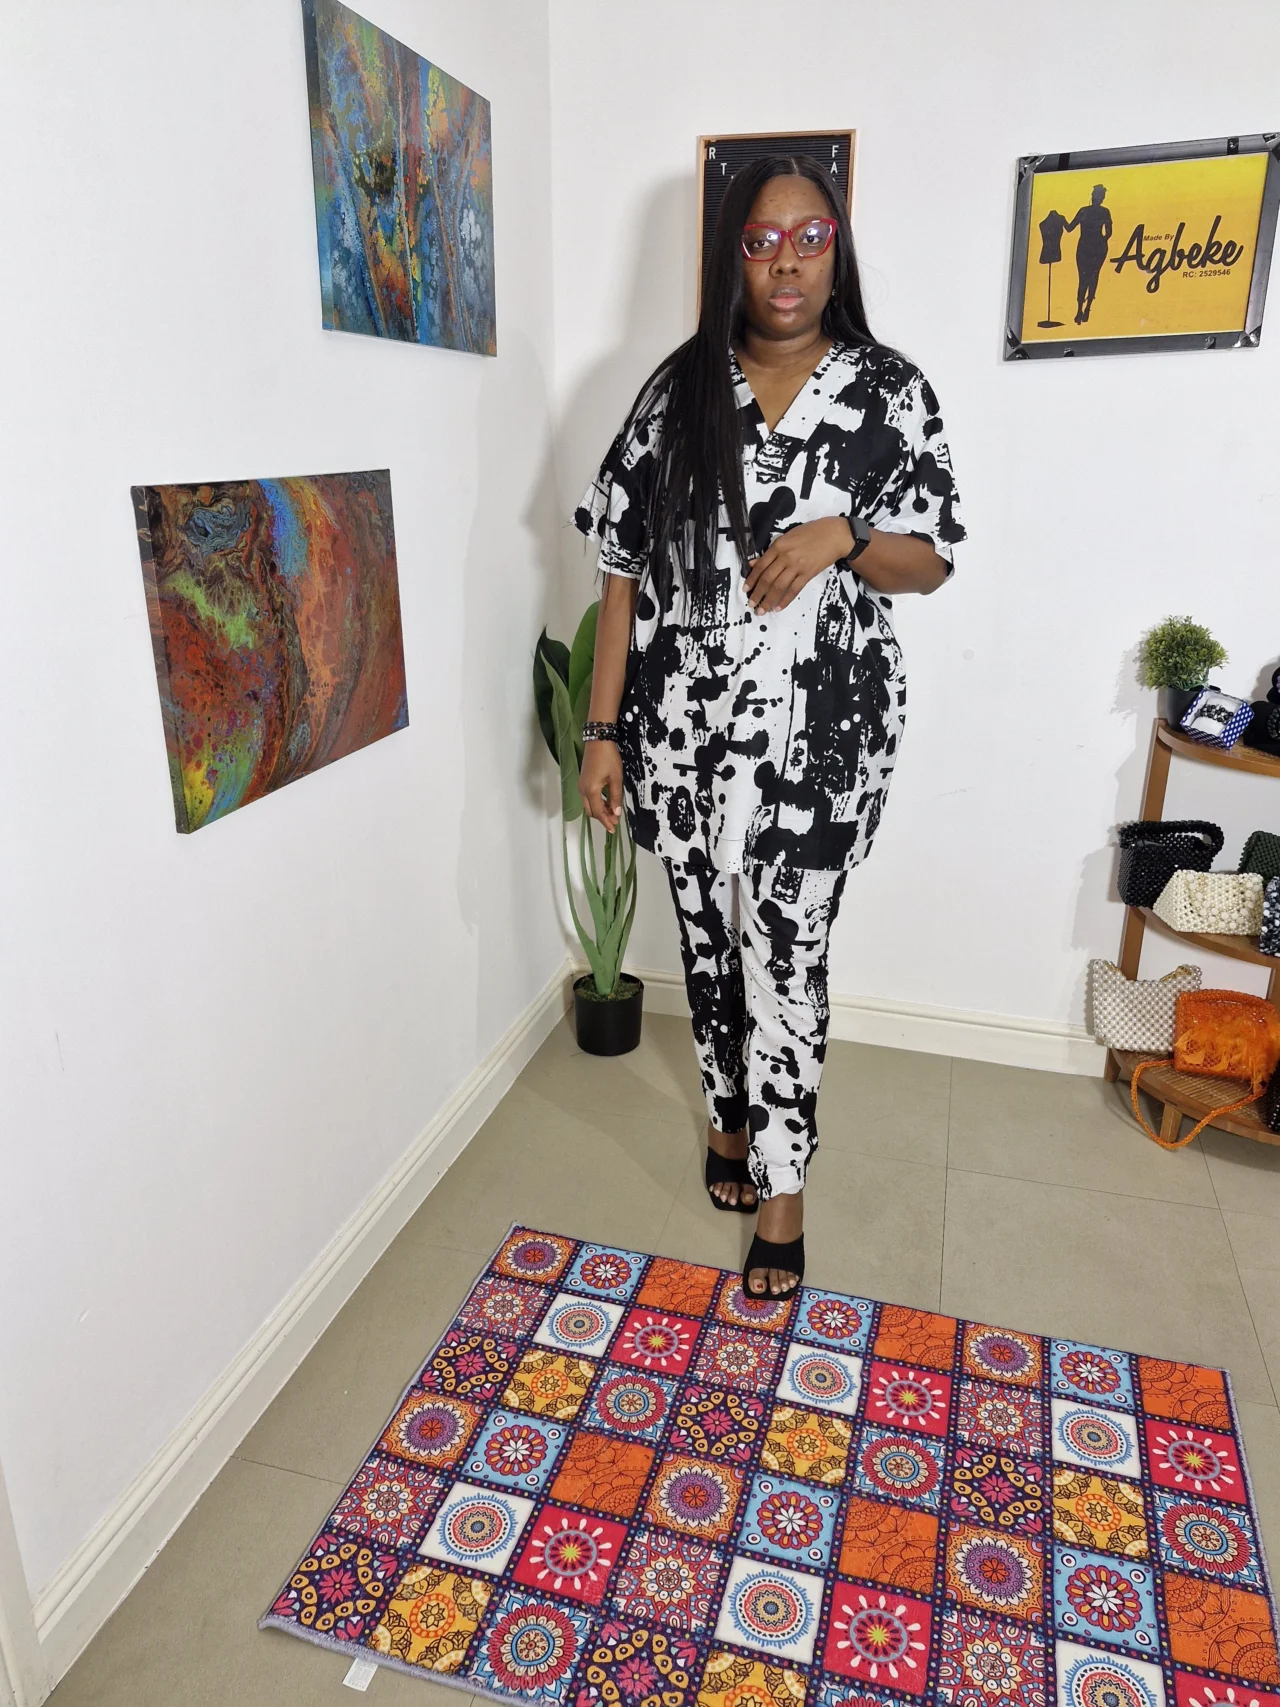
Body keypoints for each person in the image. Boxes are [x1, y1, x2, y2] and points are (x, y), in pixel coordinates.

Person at [572, 155, 965, 1300]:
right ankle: (728, 1119)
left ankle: (782, 1185)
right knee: (705, 943)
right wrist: (600, 729)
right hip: (682, 730)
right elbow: (618, 571)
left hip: (823, 737)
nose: (784, 263)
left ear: (835, 250)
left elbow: (930, 560)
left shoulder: (887, 390)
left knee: (786, 956)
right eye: (758, 241)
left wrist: (845, 535)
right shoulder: (678, 390)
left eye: (807, 238)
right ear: (729, 257)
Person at [1065, 184, 1112, 324]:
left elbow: (1069, 228)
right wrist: (1102, 241)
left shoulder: (1084, 211)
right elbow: (1109, 233)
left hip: (1085, 246)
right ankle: (1086, 309)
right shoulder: (1104, 212)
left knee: (1083, 278)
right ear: (1102, 198)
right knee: (1093, 277)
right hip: (1098, 247)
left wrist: (1061, 219)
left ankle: (1080, 310)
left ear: (1093, 196)